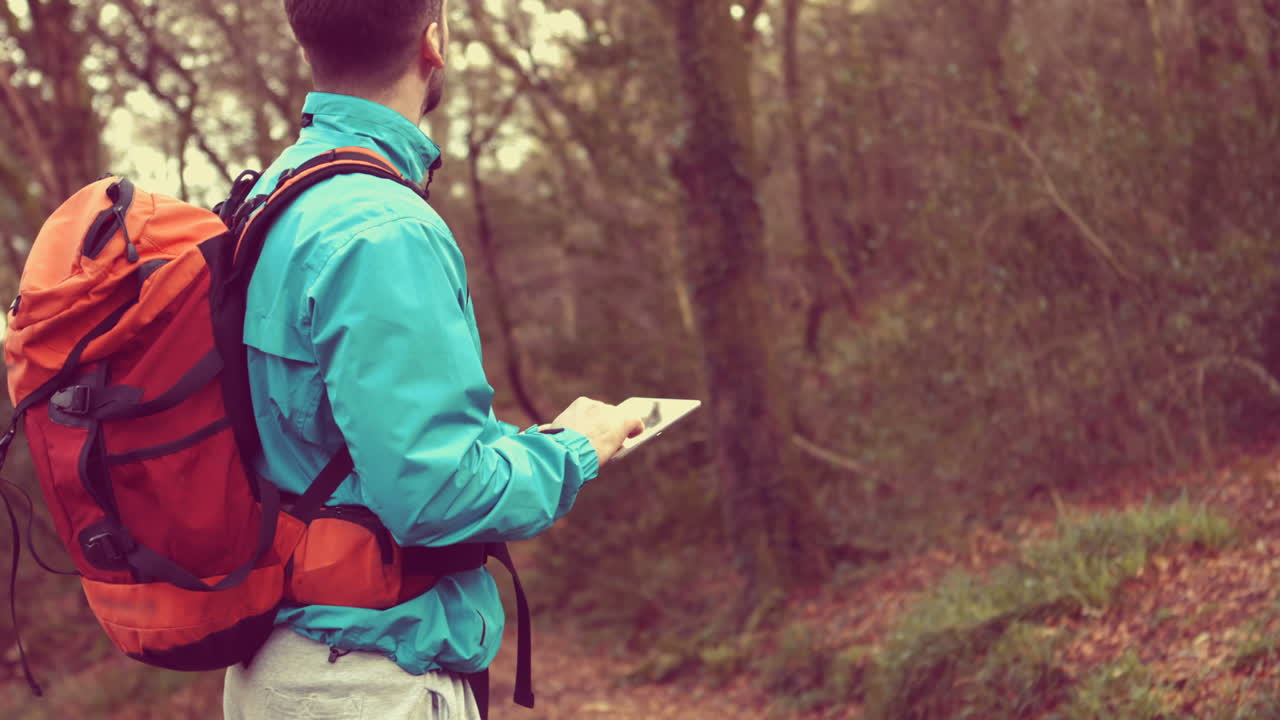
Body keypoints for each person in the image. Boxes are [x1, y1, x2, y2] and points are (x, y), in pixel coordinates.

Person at [221, 1, 644, 718]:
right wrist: (578, 450)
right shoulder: (381, 227)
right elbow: (433, 496)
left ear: (308, 44)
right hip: (364, 680)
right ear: (434, 42)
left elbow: (341, 446)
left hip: (279, 664)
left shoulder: (274, 196)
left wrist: (525, 445)